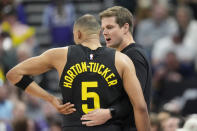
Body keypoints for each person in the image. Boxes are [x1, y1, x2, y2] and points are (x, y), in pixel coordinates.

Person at [6, 14, 150, 131]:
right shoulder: (121, 60)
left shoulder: (60, 55)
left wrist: (50, 99)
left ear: (78, 34)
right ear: (99, 32)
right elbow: (141, 107)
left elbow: (14, 74)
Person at [80, 6, 152, 131]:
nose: (104, 32)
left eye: (110, 27)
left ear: (125, 27)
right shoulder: (121, 55)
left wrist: (109, 112)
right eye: (103, 28)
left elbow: (136, 101)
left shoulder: (133, 55)